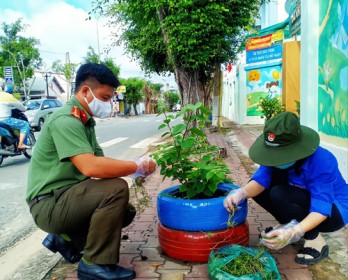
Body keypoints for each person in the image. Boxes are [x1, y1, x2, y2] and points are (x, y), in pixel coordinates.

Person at [26, 63, 156, 280]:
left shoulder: (84, 121)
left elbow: (100, 162)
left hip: (65, 197)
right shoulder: (65, 119)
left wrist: (136, 171)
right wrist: (136, 166)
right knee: (116, 189)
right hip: (48, 203)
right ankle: (94, 264)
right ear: (85, 91)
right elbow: (90, 166)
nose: (108, 105)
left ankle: (65, 239)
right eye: (104, 98)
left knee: (125, 212)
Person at [224, 112, 348, 265]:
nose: (276, 159)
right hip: (301, 199)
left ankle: (314, 239)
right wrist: (240, 193)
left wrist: (294, 231)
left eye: (281, 154)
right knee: (260, 191)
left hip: (333, 211)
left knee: (280, 194)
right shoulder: (274, 158)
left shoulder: (322, 161)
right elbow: (260, 181)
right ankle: (288, 225)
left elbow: (321, 206)